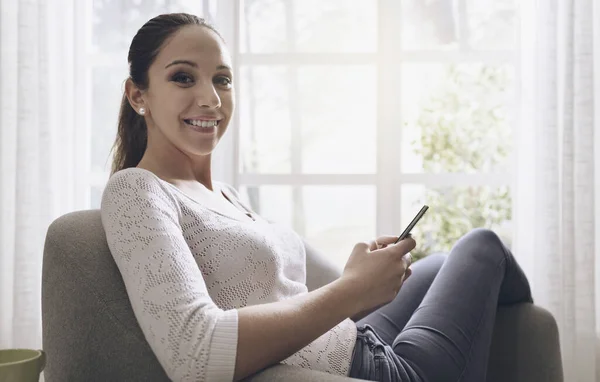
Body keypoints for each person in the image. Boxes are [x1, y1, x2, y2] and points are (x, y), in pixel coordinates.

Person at [100, 13, 533, 382]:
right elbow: (193, 353)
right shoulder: (138, 190)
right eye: (183, 77)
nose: (211, 98)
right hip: (375, 369)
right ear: (138, 95)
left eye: (222, 80)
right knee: (483, 245)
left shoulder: (225, 195)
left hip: (351, 338)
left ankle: (511, 319)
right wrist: (352, 290)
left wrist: (358, 274)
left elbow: (288, 289)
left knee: (436, 262)